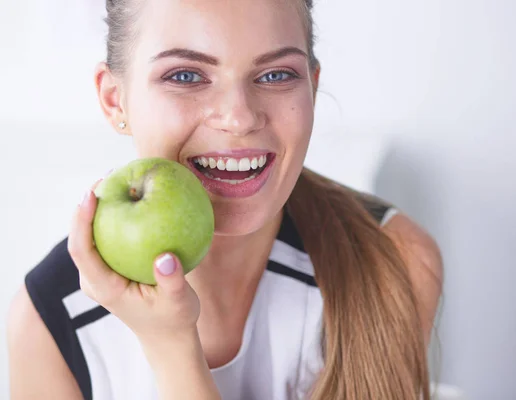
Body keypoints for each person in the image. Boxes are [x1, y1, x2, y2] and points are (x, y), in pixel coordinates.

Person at [7, 0, 443, 399]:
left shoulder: (394, 262)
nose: (239, 117)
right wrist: (169, 342)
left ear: (312, 86)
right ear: (114, 98)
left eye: (275, 74)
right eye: (186, 75)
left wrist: (174, 347)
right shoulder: (49, 323)